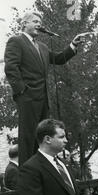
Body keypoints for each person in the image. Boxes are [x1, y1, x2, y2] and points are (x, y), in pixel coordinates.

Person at [4, 12, 88, 165]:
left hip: (43, 99)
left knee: (43, 137)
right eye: (35, 21)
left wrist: (73, 45)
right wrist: (22, 91)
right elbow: (11, 68)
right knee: (28, 136)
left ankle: (41, 168)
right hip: (27, 97)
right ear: (24, 24)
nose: (39, 24)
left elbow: (59, 58)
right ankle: (27, 172)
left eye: (40, 22)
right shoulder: (16, 41)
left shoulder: (42, 47)